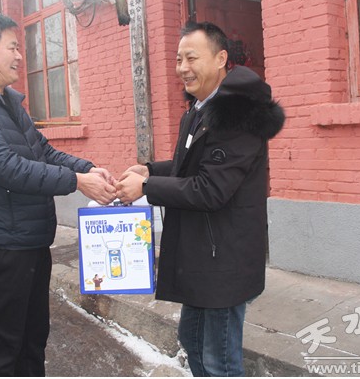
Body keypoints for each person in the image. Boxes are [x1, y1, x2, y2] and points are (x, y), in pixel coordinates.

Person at [0, 11, 116, 377]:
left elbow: (43, 152)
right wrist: (77, 182)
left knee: (33, 342)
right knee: (3, 354)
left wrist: (87, 168)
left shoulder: (8, 102)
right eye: (12, 48)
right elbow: (8, 168)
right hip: (1, 249)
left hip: (30, 242)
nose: (20, 56)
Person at [117, 21, 285, 377]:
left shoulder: (237, 116)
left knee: (218, 360)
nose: (182, 68)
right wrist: (150, 170)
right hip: (203, 255)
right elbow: (190, 165)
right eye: (179, 59)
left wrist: (146, 188)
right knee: (192, 341)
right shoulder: (200, 109)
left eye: (191, 58)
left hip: (224, 259)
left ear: (221, 58)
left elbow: (210, 189)